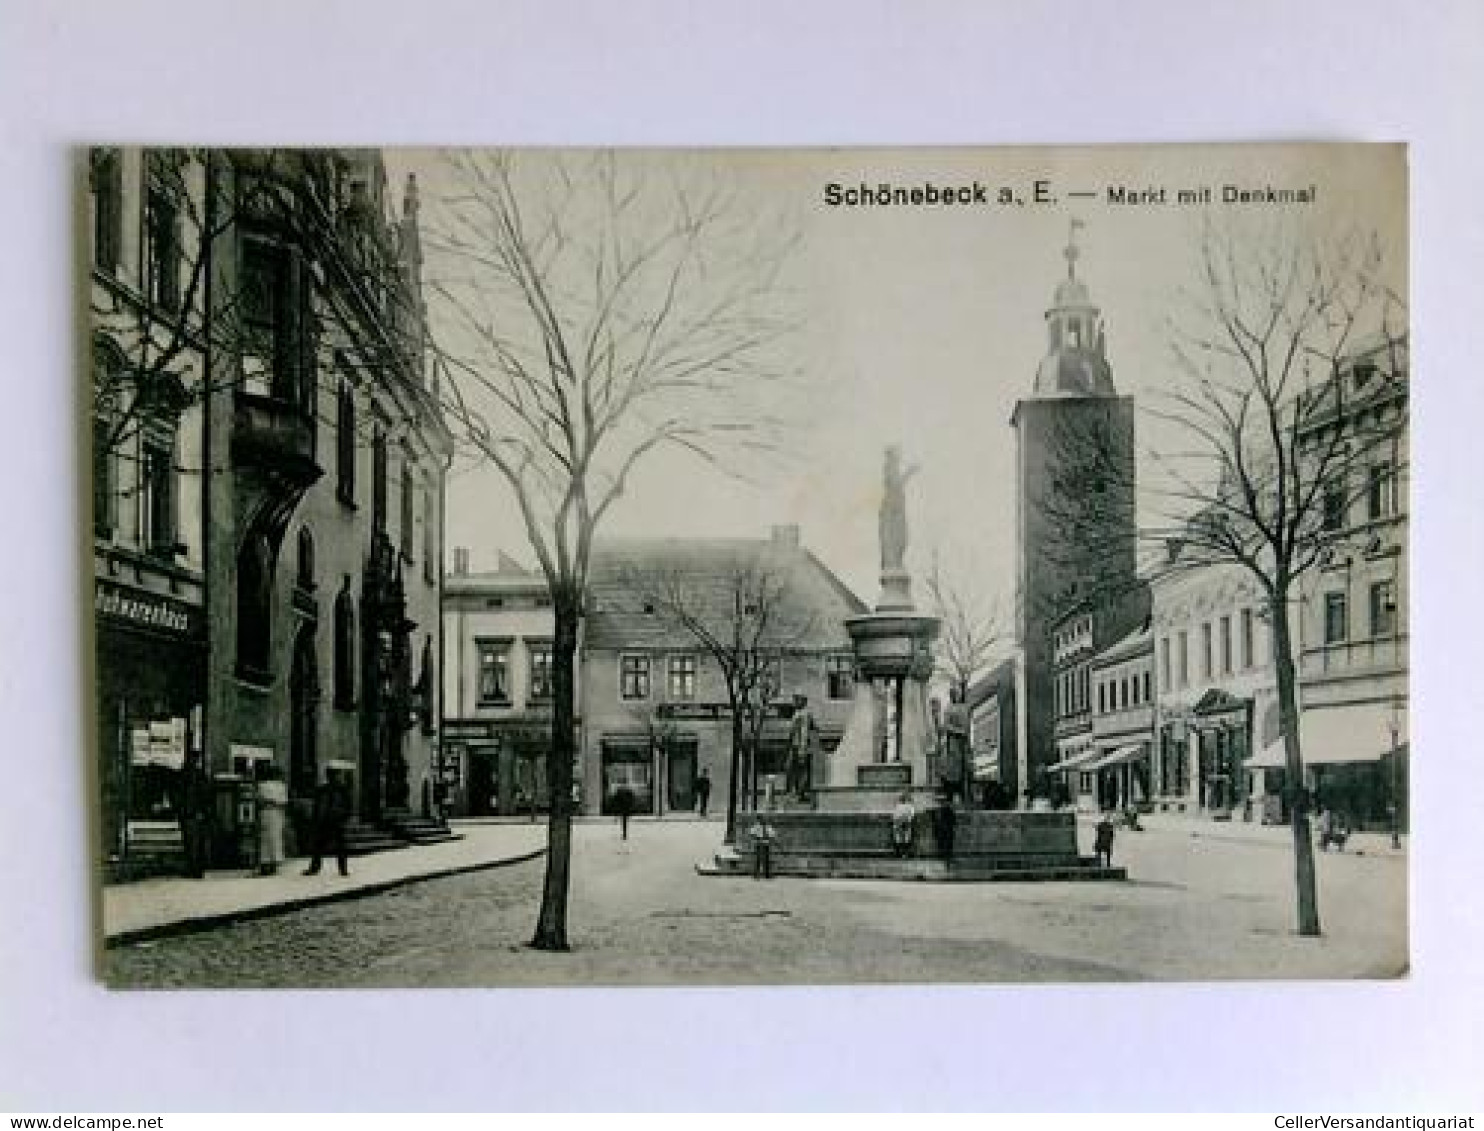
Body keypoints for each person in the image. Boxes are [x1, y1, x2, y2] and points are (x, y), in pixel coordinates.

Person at [303, 771, 351, 877]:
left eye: (335, 775)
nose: (333, 778)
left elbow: (348, 805)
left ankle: (343, 869)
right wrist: (316, 819)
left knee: (339, 847)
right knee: (319, 845)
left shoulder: (342, 790)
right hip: (324, 821)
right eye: (331, 776)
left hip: (335, 821)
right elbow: (317, 806)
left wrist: (344, 818)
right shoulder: (322, 790)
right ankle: (315, 868)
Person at [255, 765, 288, 876]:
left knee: (267, 838)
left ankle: (267, 864)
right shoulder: (281, 786)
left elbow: (259, 800)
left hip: (267, 812)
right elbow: (283, 801)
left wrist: (269, 802)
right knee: (274, 838)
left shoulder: (262, 785)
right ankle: (273, 863)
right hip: (275, 812)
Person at [786, 694, 817, 801]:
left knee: (800, 770)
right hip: (796, 746)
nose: (793, 702)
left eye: (796, 700)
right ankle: (798, 792)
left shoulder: (804, 714)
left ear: (802, 701)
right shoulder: (798, 713)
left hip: (800, 747)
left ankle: (801, 793)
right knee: (793, 769)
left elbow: (804, 732)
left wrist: (802, 749)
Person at [748, 814, 777, 879]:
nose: (762, 820)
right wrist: (756, 838)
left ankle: (766, 874)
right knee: (758, 859)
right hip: (758, 843)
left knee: (766, 859)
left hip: (765, 843)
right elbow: (752, 833)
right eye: (760, 819)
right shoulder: (756, 827)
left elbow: (772, 834)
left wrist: (770, 838)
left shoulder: (767, 827)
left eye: (763, 819)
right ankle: (756, 874)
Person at [891, 790, 916, 858]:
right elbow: (911, 815)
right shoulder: (909, 806)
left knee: (900, 838)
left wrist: (899, 821)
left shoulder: (898, 806)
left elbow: (895, 816)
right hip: (904, 823)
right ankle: (904, 853)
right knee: (905, 838)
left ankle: (900, 853)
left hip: (900, 823)